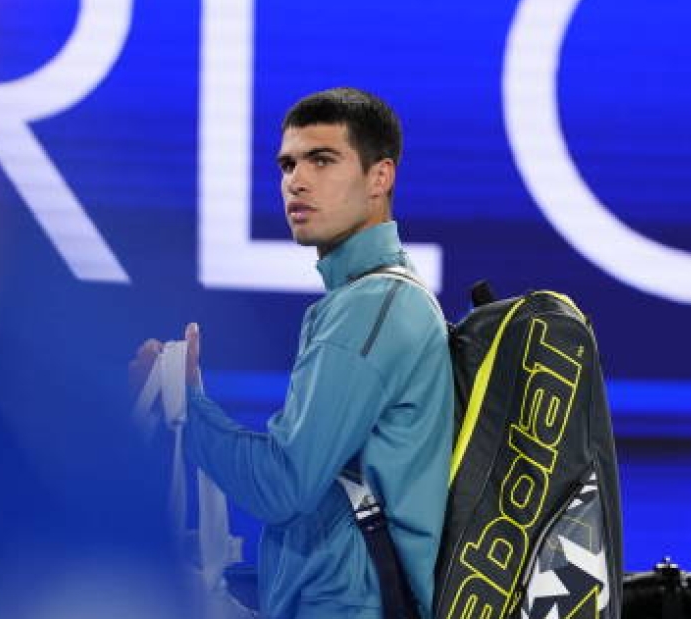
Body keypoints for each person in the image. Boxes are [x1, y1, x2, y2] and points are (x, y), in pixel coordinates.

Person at [132, 88, 453, 619]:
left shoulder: (374, 307)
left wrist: (185, 406)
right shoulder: (365, 301)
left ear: (381, 177)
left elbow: (283, 487)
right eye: (287, 164)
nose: (296, 181)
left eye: (322, 160)